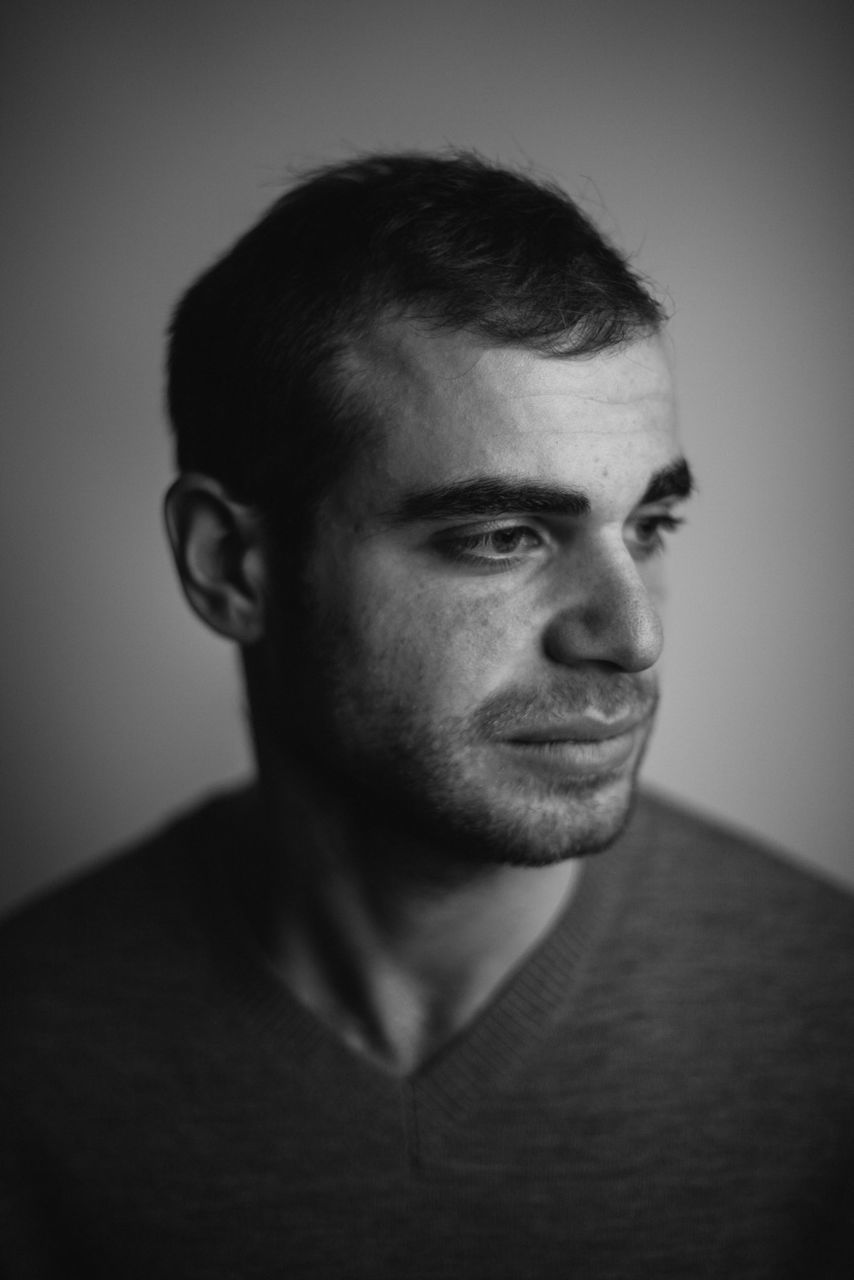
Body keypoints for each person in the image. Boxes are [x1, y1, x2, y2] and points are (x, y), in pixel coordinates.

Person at [1, 152, 852, 1279]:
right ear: (231, 566)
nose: (630, 635)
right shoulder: (31, 1048)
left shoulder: (824, 1020)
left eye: (648, 525)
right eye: (500, 535)